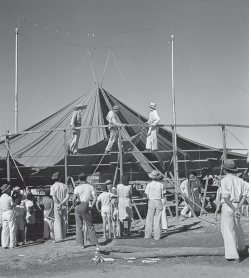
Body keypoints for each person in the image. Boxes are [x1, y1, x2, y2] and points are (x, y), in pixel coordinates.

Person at [220, 159, 248, 262]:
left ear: (224, 170)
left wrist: (233, 208)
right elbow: (244, 196)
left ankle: (233, 254)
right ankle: (241, 247)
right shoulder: (240, 180)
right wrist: (237, 208)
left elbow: (226, 198)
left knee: (228, 229)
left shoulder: (224, 180)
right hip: (237, 205)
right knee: (237, 227)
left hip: (228, 206)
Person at [71, 172, 98, 248]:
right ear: (86, 178)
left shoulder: (77, 187)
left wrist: (73, 206)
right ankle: (94, 242)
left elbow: (73, 199)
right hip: (86, 205)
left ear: (79, 179)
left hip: (78, 206)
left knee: (79, 225)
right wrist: (91, 207)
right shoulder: (90, 187)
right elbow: (95, 199)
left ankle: (81, 244)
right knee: (90, 225)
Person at [144, 170, 164, 240]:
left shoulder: (149, 185)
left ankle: (147, 235)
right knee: (157, 218)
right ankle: (157, 236)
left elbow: (146, 195)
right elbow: (162, 195)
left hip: (151, 201)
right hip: (158, 200)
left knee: (149, 219)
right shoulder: (161, 185)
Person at [50, 172, 69, 242]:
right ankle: (63, 236)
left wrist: (59, 204)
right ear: (60, 178)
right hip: (64, 205)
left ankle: (58, 237)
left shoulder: (53, 187)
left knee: (57, 221)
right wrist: (62, 203)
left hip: (56, 206)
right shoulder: (64, 185)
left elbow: (54, 197)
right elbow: (67, 196)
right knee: (64, 220)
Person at [0, 184, 16, 249]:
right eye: (9, 188)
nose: (9, 189)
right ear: (6, 190)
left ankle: (4, 244)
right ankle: (12, 245)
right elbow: (12, 206)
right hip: (9, 212)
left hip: (3, 213)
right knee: (12, 229)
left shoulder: (0, 198)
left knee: (4, 230)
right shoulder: (9, 198)